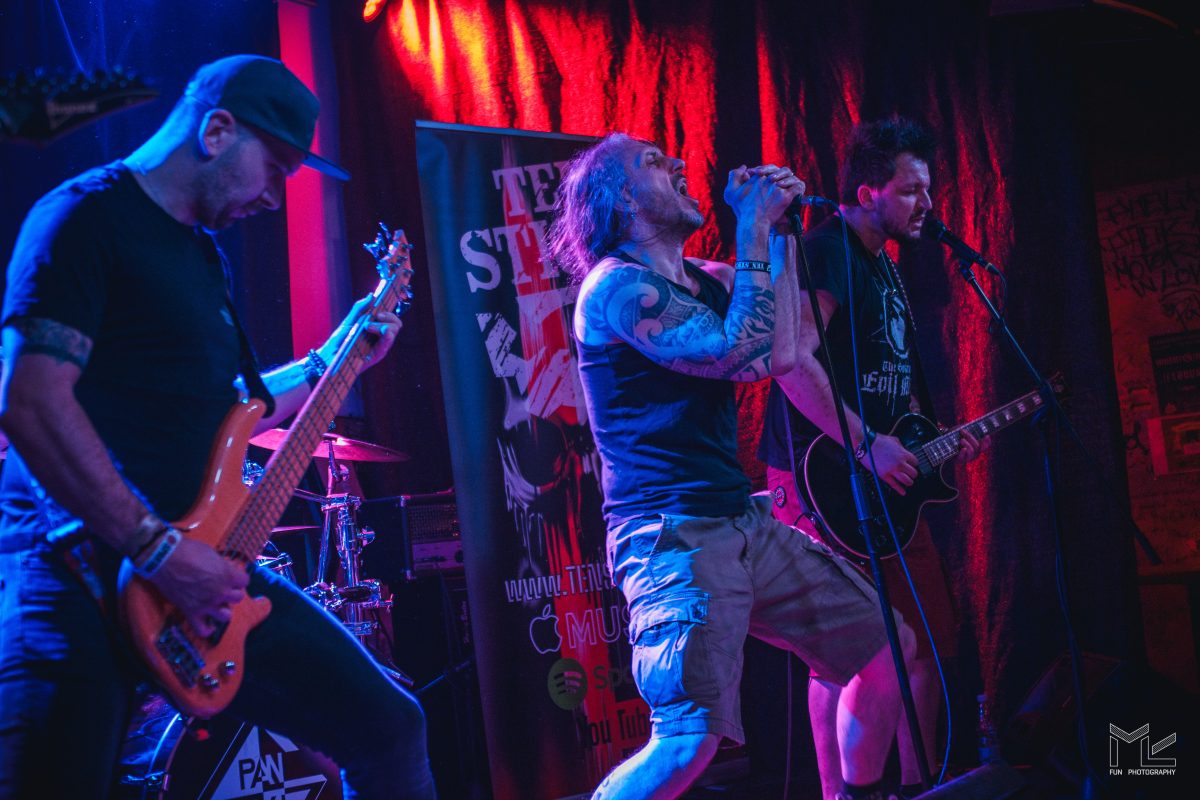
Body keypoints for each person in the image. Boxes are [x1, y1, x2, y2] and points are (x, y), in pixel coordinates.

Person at [0, 55, 435, 799]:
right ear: (217, 131)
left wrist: (335, 358)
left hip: (197, 577)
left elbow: (233, 409)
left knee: (390, 727)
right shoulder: (82, 219)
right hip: (76, 577)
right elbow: (29, 398)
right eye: (275, 170)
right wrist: (156, 548)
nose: (274, 197)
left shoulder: (201, 255)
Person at [548, 132, 917, 800]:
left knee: (886, 648)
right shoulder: (615, 288)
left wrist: (781, 234)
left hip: (741, 520)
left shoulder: (705, 279)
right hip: (671, 536)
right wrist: (751, 226)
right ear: (620, 198)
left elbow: (780, 352)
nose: (678, 164)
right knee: (688, 739)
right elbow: (734, 354)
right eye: (654, 163)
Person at [758, 116, 986, 799]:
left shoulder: (883, 263)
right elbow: (791, 366)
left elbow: (886, 378)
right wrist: (864, 444)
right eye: (912, 190)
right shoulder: (827, 251)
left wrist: (931, 441)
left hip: (885, 480)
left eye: (927, 189)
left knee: (926, 641)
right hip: (821, 479)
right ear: (867, 192)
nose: (927, 204)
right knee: (844, 655)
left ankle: (920, 787)